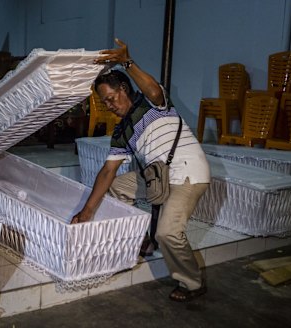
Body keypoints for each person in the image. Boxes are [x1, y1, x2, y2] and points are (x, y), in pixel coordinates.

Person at [71, 38, 211, 302]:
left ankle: (192, 283)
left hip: (187, 172)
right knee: (116, 186)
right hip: (160, 176)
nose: (110, 106)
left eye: (111, 99)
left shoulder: (152, 104)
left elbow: (154, 90)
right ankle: (134, 239)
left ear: (124, 88)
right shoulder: (121, 131)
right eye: (105, 103)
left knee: (168, 232)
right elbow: (107, 172)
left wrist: (126, 61)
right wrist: (87, 211)